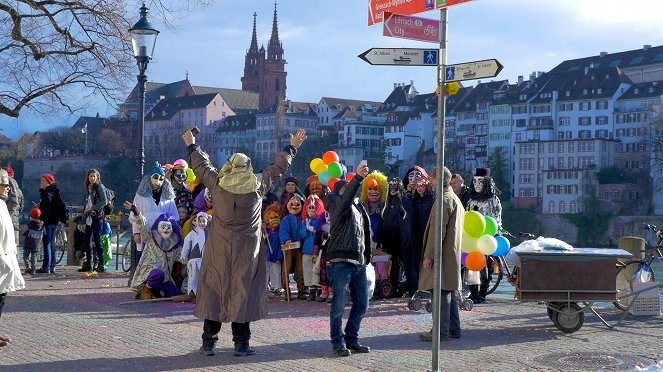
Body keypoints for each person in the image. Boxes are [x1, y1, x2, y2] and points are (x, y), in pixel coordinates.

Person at [183, 127, 307, 357]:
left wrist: (192, 144)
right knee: (243, 292)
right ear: (248, 167)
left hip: (219, 247)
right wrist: (292, 147)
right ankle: (241, 345)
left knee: (214, 290)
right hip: (247, 250)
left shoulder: (217, 184)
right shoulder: (259, 185)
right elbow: (279, 168)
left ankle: (208, 343)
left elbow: (201, 166)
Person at [323, 161, 371, 357]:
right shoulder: (334, 202)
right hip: (341, 261)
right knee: (338, 306)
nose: (350, 189)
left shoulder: (359, 207)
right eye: (346, 186)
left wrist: (366, 256)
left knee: (362, 304)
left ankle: (352, 339)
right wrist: (358, 178)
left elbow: (366, 232)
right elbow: (345, 200)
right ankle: (337, 343)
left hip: (358, 262)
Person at [418, 167, 464, 342]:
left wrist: (429, 256)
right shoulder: (454, 198)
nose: (430, 181)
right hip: (449, 253)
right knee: (447, 290)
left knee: (440, 293)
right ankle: (453, 328)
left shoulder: (444, 200)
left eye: (432, 179)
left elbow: (438, 232)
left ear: (439, 179)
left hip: (442, 254)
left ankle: (440, 332)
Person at [129, 162, 179, 280]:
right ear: (150, 178)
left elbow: (174, 217)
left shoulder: (168, 197)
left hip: (162, 236)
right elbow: (134, 215)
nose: (158, 180)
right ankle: (141, 284)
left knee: (161, 261)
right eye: (155, 177)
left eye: (161, 178)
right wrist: (136, 232)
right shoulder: (140, 196)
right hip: (145, 233)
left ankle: (159, 284)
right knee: (144, 261)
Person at [125, 201, 184, 300]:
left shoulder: (175, 246)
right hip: (150, 273)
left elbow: (183, 258)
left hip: (165, 278)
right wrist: (137, 213)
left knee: (176, 294)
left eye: (168, 227)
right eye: (163, 226)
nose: (166, 229)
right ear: (158, 227)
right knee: (157, 273)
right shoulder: (151, 239)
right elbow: (143, 226)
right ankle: (146, 290)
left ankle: (156, 292)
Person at [466, 167, 503, 304]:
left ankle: (482, 292)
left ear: (486, 183)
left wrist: (492, 234)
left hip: (488, 238)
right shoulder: (471, 201)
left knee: (487, 266)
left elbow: (497, 219)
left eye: (480, 182)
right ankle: (473, 292)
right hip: (472, 238)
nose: (477, 185)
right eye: (474, 182)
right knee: (471, 265)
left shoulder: (493, 200)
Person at [0, 168, 25, 347]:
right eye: (3, 183)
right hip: (1, 256)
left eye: (8, 184)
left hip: (5, 256)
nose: (7, 187)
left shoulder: (2, 203)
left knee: (1, 295)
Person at [380, 177, 417, 296]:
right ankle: (393, 288)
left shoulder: (405, 201)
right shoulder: (387, 202)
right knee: (393, 265)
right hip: (390, 239)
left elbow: (408, 222)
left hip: (402, 239)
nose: (392, 188)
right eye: (390, 186)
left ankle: (412, 290)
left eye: (395, 186)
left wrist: (405, 238)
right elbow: (384, 221)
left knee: (407, 264)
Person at [37, 174, 67, 274]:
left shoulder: (47, 194)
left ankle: (46, 267)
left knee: (47, 244)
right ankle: (52, 266)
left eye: (43, 181)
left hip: (48, 222)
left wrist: (41, 217)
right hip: (55, 221)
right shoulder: (55, 192)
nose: (41, 183)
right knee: (51, 244)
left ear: (48, 182)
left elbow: (47, 210)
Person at [80, 169, 108, 273]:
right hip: (89, 218)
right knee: (87, 241)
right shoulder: (89, 188)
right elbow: (88, 204)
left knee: (97, 241)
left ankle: (101, 264)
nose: (92, 178)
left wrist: (92, 208)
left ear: (97, 177)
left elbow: (104, 201)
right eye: (91, 176)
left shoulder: (100, 187)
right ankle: (89, 264)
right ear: (88, 177)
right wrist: (83, 218)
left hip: (97, 217)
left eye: (94, 176)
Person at [279, 193, 306, 299]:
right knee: (286, 268)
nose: (295, 204)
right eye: (292, 201)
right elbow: (283, 231)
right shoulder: (286, 219)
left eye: (298, 202)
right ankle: (286, 290)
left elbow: (303, 231)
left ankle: (301, 289)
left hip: (299, 248)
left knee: (300, 269)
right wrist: (286, 239)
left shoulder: (302, 219)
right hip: (289, 248)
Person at [181, 212, 211, 302]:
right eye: (200, 221)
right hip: (193, 260)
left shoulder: (209, 233)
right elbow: (186, 245)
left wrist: (209, 217)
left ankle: (203, 295)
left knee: (205, 277)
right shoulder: (192, 234)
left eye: (203, 221)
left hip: (205, 260)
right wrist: (183, 256)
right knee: (193, 277)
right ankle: (191, 294)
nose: (202, 223)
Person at [300, 194, 326, 301]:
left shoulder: (320, 222)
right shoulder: (304, 222)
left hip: (317, 251)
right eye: (309, 207)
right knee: (307, 269)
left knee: (317, 270)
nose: (311, 209)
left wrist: (315, 230)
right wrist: (306, 229)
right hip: (306, 250)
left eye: (313, 207)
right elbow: (301, 235)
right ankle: (311, 289)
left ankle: (318, 288)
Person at [262, 202, 284, 297]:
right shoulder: (266, 230)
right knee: (266, 271)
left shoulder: (280, 230)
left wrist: (280, 256)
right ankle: (265, 287)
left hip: (276, 255)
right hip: (266, 255)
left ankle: (276, 287)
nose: (274, 220)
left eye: (276, 218)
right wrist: (264, 236)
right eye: (271, 218)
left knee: (276, 271)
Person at [3, 166, 23, 250]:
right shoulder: (17, 186)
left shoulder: (9, 182)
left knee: (7, 246)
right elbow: (21, 204)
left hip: (9, 218)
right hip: (15, 219)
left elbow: (14, 202)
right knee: (12, 246)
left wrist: (8, 217)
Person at [22, 208, 44, 275]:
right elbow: (45, 233)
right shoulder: (42, 226)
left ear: (30, 217)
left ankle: (28, 267)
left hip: (28, 244)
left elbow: (24, 233)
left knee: (25, 256)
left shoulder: (28, 225)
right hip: (37, 245)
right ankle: (33, 270)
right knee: (34, 257)